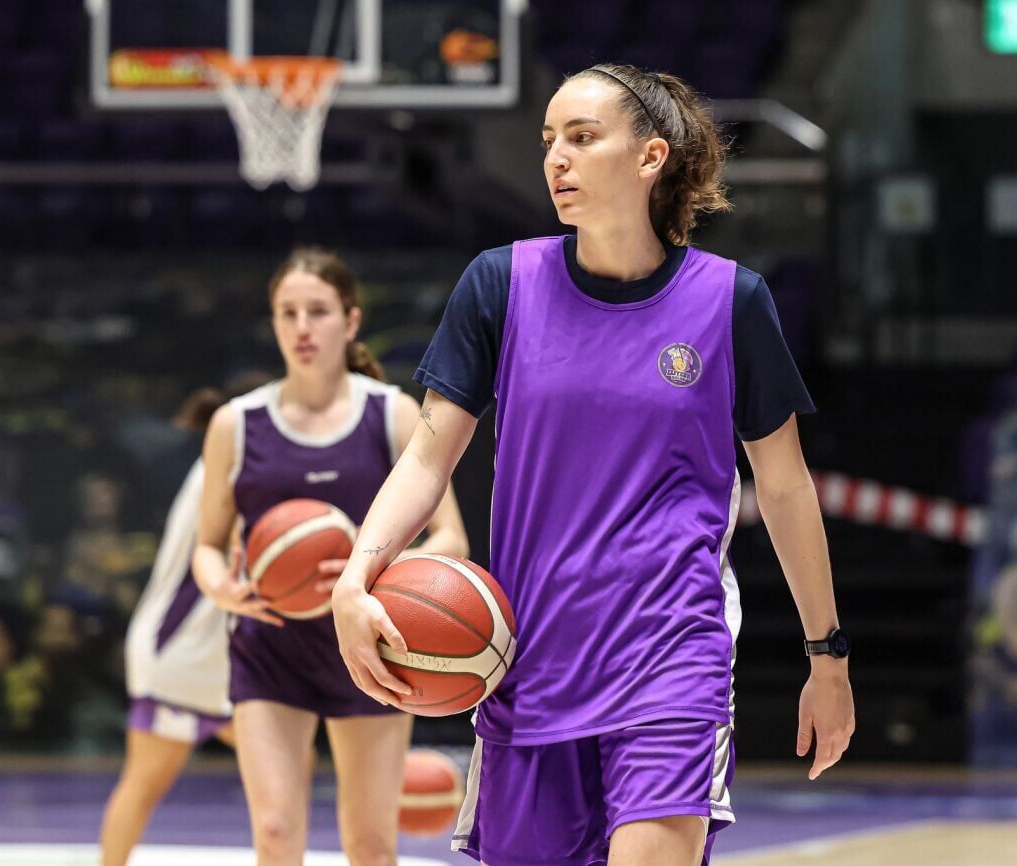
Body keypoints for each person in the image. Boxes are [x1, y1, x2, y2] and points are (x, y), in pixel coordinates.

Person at [331, 64, 856, 866]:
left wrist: (827, 655)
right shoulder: (499, 284)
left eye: (581, 138)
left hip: (671, 655)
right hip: (530, 661)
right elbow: (427, 457)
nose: (556, 159)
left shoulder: (731, 302)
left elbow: (785, 488)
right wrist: (355, 577)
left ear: (650, 156)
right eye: (549, 140)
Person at [193, 248, 470, 866]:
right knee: (274, 833)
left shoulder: (392, 413)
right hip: (269, 649)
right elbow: (207, 548)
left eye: (317, 311)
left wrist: (369, 576)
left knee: (370, 844)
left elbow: (451, 538)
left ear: (351, 321)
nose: (301, 327)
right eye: (287, 313)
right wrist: (223, 589)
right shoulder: (235, 425)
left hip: (370, 649)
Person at [99, 387, 238, 866]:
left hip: (220, 651)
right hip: (182, 647)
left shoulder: (224, 461)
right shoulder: (232, 466)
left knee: (288, 768)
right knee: (145, 782)